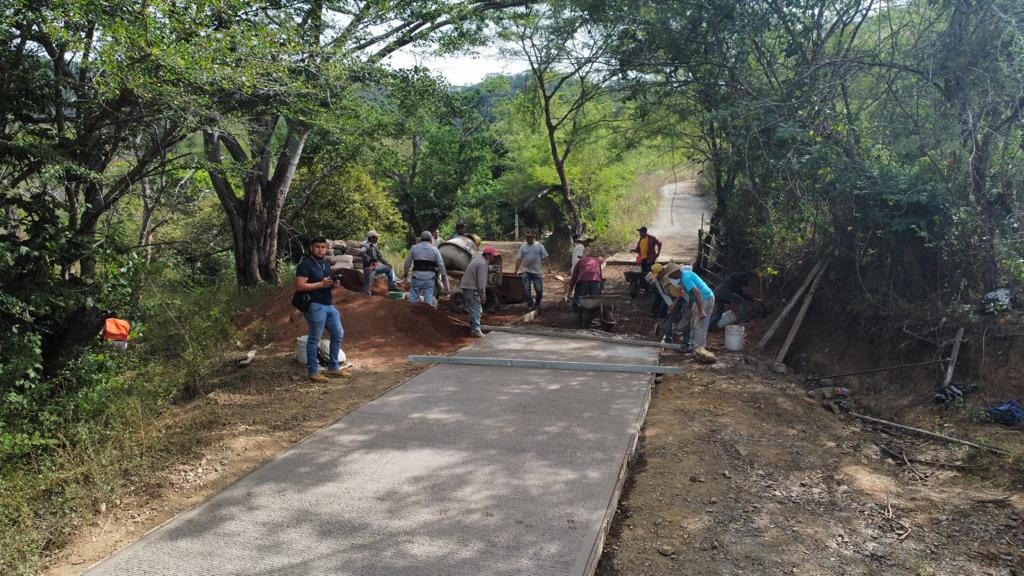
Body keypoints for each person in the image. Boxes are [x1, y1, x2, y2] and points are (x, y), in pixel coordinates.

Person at [295, 237, 350, 382]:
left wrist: (333, 284)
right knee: (314, 339)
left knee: (338, 333)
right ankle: (313, 372)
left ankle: (333, 368)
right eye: (317, 247)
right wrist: (320, 284)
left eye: (323, 247)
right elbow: (300, 286)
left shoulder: (325, 264)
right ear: (311, 248)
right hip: (314, 305)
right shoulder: (305, 264)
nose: (320, 249)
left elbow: (326, 283)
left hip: (328, 304)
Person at [666, 265, 715, 350]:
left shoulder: (686, 279)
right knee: (693, 324)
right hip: (700, 300)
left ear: (675, 273)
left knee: (699, 326)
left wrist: (701, 310)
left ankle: (699, 350)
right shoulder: (686, 275)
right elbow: (692, 294)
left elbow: (697, 293)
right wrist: (690, 307)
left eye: (670, 275)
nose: (670, 277)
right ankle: (692, 347)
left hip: (704, 299)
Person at [461, 246, 499, 337]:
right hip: (471, 287)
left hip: (467, 286)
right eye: (493, 256)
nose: (494, 258)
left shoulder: (478, 260)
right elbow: (481, 281)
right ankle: (475, 330)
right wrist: (483, 294)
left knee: (473, 308)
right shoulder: (482, 263)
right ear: (488, 255)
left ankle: (472, 326)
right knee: (476, 309)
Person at [404, 230, 448, 306]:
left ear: (421, 238)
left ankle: (411, 315)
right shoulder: (434, 249)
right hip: (429, 278)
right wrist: (444, 277)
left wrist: (406, 273)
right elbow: (441, 264)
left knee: (413, 297)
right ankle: (427, 315)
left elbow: (407, 263)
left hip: (416, 277)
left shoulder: (414, 248)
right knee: (428, 298)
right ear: (431, 239)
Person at [514, 229, 548, 311]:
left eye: (529, 237)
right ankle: (530, 304)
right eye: (526, 237)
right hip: (526, 270)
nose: (527, 238)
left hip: (536, 271)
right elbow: (519, 258)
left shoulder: (539, 246)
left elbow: (545, 257)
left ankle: (537, 302)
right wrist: (516, 269)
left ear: (534, 236)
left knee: (539, 289)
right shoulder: (523, 246)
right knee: (526, 288)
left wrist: (548, 268)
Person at [360, 230, 398, 295]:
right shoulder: (366, 245)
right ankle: (365, 295)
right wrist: (368, 259)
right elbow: (362, 252)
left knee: (389, 268)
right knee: (368, 282)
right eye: (376, 237)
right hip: (369, 265)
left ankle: (392, 286)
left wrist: (386, 263)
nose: (377, 238)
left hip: (374, 265)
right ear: (372, 237)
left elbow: (380, 256)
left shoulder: (374, 245)